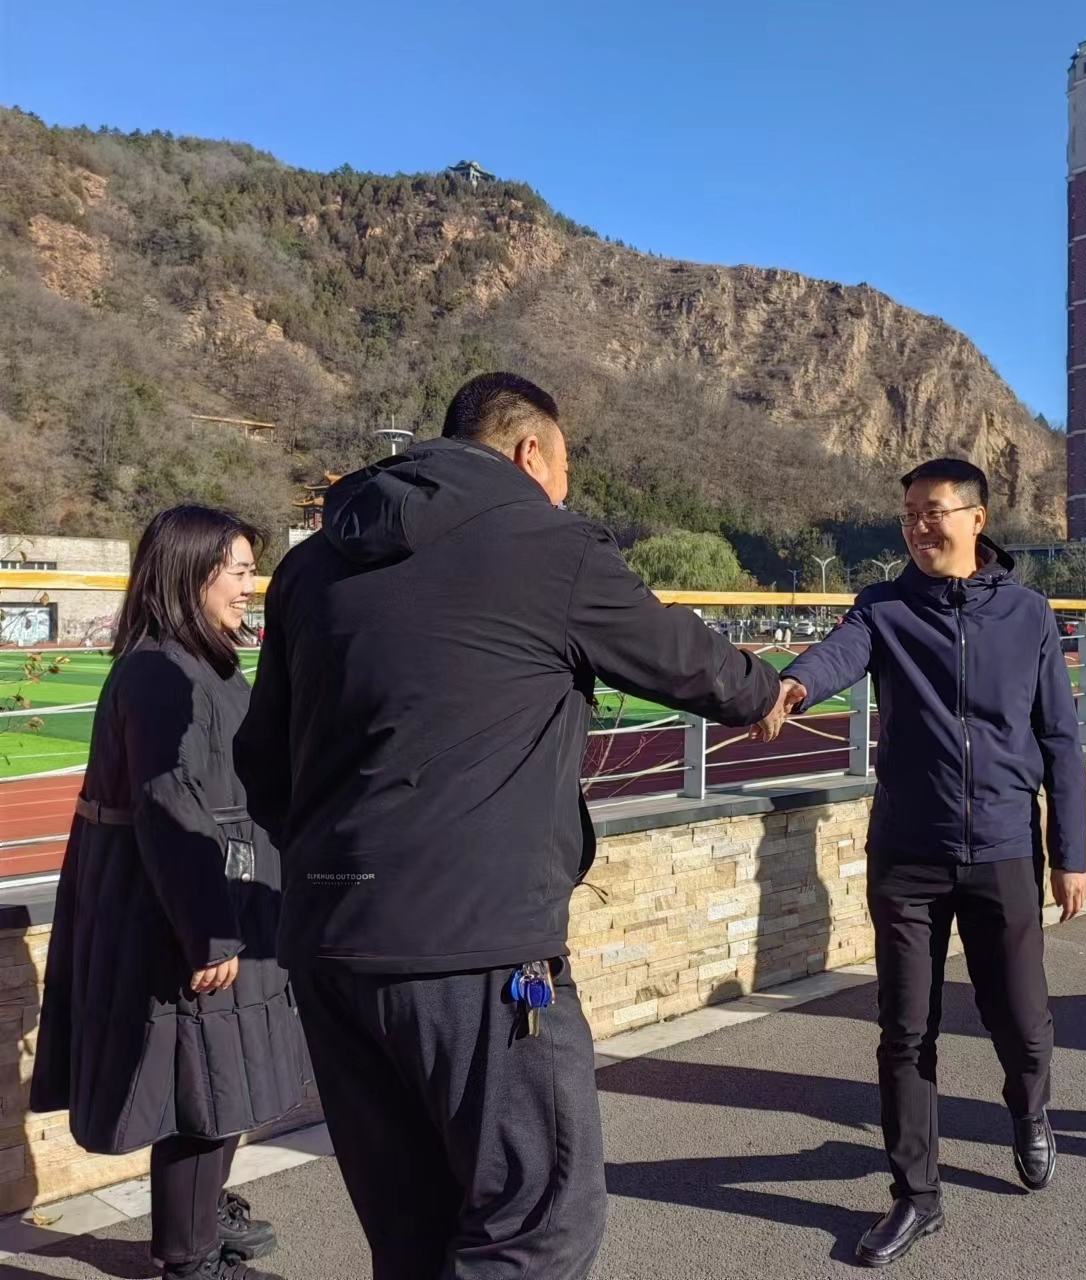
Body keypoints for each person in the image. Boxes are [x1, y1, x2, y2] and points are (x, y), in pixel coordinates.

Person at [234, 373, 784, 1280]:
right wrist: (764, 692)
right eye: (564, 471)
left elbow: (262, 761)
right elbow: (688, 662)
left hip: (330, 947)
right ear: (531, 452)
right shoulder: (546, 543)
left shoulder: (309, 564)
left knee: (409, 1231)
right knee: (540, 1221)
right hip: (477, 951)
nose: (564, 490)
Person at [755, 458, 1086, 1267]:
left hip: (1004, 846)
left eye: (933, 511)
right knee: (905, 1029)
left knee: (1020, 1017)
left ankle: (1029, 1111)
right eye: (908, 514)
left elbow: (1059, 739)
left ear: (977, 518)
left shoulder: (1029, 614)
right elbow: (837, 655)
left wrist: (1069, 854)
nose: (918, 526)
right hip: (908, 852)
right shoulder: (885, 607)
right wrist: (793, 688)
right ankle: (916, 1195)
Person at [32, 506, 307, 1280]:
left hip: (226, 891)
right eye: (239, 572)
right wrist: (210, 931)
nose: (250, 586)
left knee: (224, 1078)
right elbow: (168, 802)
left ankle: (202, 1216)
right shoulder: (158, 672)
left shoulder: (205, 660)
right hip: (180, 912)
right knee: (202, 1088)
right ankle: (189, 1258)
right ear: (191, 575)